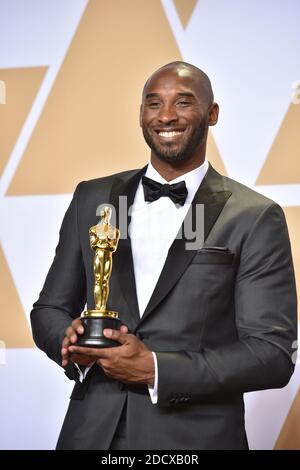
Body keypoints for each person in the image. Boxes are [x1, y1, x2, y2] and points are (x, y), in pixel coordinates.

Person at [31, 61, 297, 450]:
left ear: (212, 114)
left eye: (183, 102)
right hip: (90, 434)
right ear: (141, 115)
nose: (166, 116)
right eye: (153, 104)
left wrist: (156, 369)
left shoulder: (253, 215)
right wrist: (69, 342)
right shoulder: (94, 198)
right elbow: (49, 309)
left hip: (194, 439)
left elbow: (271, 354)